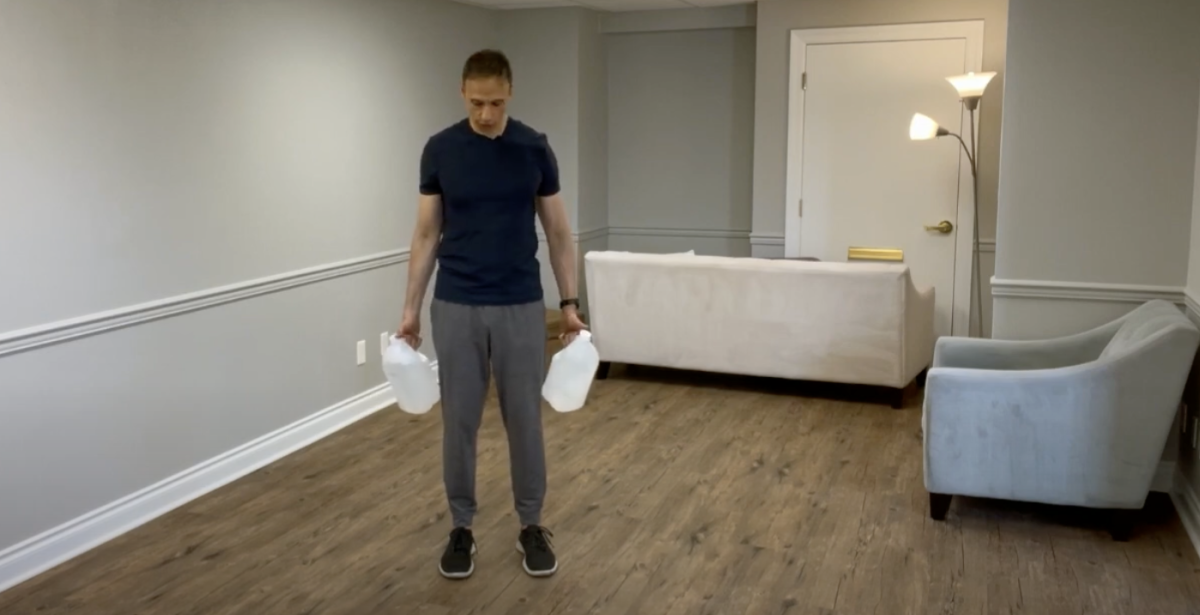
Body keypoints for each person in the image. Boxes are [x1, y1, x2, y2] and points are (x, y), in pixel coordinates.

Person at [396, 49, 586, 580]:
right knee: (459, 421)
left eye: (496, 102)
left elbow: (558, 232)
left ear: (510, 93)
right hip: (455, 302)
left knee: (524, 419)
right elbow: (426, 234)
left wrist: (569, 305)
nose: (485, 113)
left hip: (520, 303)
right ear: (463, 93)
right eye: (477, 102)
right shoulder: (440, 150)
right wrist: (409, 312)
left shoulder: (533, 148)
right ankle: (461, 526)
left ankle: (531, 524)